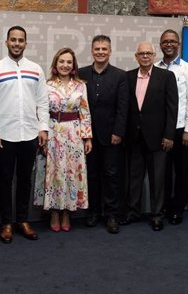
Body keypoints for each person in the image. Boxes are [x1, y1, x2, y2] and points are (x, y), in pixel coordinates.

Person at [0, 25, 49, 243]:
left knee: (24, 180)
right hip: (4, 136)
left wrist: (43, 128)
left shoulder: (36, 69)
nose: (16, 44)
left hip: (30, 134)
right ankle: (6, 223)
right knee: (4, 181)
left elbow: (42, 102)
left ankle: (22, 220)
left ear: (25, 43)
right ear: (6, 42)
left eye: (20, 40)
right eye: (13, 40)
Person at [121, 41, 178, 231]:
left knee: (158, 179)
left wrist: (169, 135)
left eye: (149, 53)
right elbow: (125, 109)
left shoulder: (166, 76)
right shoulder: (127, 77)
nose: (145, 56)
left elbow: (172, 109)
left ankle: (157, 215)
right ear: (136, 57)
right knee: (133, 178)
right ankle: (132, 212)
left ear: (154, 56)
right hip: (133, 138)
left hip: (159, 138)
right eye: (141, 53)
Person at [36, 48, 93, 232]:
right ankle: (54, 211)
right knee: (54, 171)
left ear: (73, 65)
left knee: (71, 171)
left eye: (69, 62)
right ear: (55, 64)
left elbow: (85, 112)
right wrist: (42, 132)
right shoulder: (47, 85)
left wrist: (87, 138)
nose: (65, 65)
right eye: (61, 61)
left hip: (74, 133)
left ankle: (67, 211)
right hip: (53, 132)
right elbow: (42, 110)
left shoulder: (80, 85)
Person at [78, 35, 128, 234]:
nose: (100, 52)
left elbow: (123, 108)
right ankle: (93, 212)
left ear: (110, 51)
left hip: (111, 135)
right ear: (92, 50)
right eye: (97, 49)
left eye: (104, 49)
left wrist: (118, 132)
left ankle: (112, 215)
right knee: (91, 175)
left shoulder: (120, 76)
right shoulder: (80, 74)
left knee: (112, 176)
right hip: (86, 136)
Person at [155, 29, 188, 225]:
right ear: (161, 44)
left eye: (173, 41)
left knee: (181, 172)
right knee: (162, 171)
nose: (169, 44)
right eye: (165, 41)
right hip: (159, 129)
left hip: (182, 129)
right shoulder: (154, 68)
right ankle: (163, 206)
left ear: (178, 44)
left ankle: (177, 209)